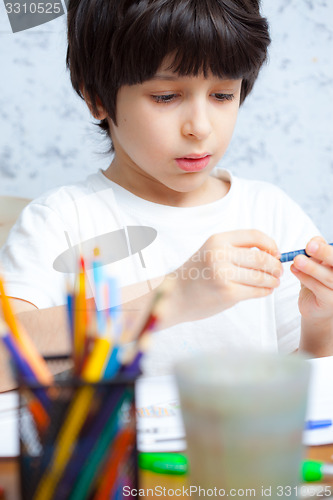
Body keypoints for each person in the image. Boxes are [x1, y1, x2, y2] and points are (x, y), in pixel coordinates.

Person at [1, 0, 333, 390]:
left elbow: (304, 385)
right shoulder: (60, 220)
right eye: (165, 97)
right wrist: (171, 298)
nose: (200, 127)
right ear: (97, 99)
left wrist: (320, 324)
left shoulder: (269, 211)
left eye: (223, 95)